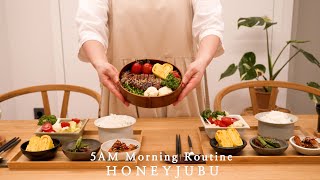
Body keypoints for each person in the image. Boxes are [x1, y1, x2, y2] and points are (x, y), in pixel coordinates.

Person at [76, 0, 224, 118]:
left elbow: (210, 24)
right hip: (124, 82)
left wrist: (202, 60)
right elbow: (90, 27)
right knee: (124, 150)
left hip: (182, 81)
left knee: (185, 149)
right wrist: (99, 62)